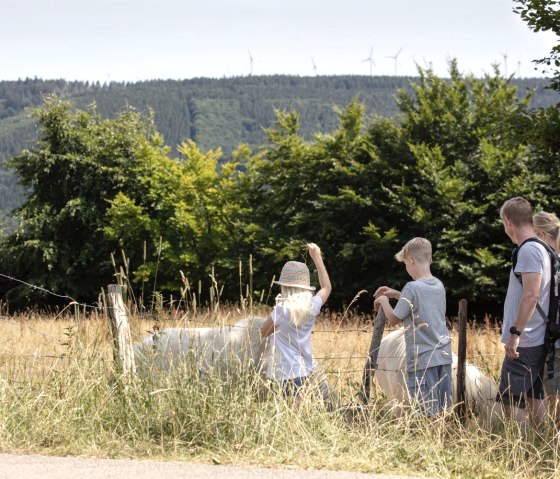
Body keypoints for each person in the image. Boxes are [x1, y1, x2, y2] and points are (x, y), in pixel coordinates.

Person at [373, 237, 452, 416]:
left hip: (423, 359)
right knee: (443, 408)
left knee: (426, 410)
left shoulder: (412, 287)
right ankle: (442, 440)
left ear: (411, 260)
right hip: (443, 355)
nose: (407, 269)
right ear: (430, 259)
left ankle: (430, 442)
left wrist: (385, 301)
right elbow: (422, 304)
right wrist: (397, 294)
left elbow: (393, 319)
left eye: (405, 264)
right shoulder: (438, 285)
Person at [497, 197, 551, 426]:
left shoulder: (529, 250)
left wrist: (515, 334)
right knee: (533, 395)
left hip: (526, 340)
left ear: (508, 222)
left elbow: (531, 295)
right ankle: (539, 443)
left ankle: (519, 449)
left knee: (510, 399)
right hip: (537, 336)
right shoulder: (543, 248)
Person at [260, 243, 332, 396]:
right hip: (303, 372)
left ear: (285, 286)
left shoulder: (281, 309)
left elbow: (263, 332)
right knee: (297, 415)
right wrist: (317, 257)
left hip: (280, 374)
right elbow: (326, 287)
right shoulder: (312, 306)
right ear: (305, 286)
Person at [533, 210, 560, 423]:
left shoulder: (551, 264)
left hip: (555, 342)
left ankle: (551, 446)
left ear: (541, 235)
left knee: (553, 400)